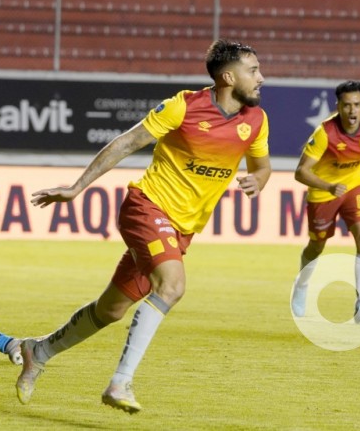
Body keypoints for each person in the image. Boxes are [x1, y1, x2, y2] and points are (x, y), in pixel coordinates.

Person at [17, 39, 270, 413]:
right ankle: (120, 383)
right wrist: (76, 187)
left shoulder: (256, 120)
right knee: (172, 285)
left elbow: (262, 166)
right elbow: (126, 142)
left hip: (182, 229)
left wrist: (258, 180)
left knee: (111, 310)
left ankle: (37, 351)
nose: (261, 77)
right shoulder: (183, 106)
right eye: (253, 70)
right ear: (228, 77)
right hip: (147, 208)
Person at [290, 80, 360, 323]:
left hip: (354, 186)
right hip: (324, 192)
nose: (352, 111)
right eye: (346, 105)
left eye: (357, 105)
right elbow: (301, 172)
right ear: (338, 106)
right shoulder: (325, 133)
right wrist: (329, 186)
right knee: (317, 246)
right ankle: (301, 285)